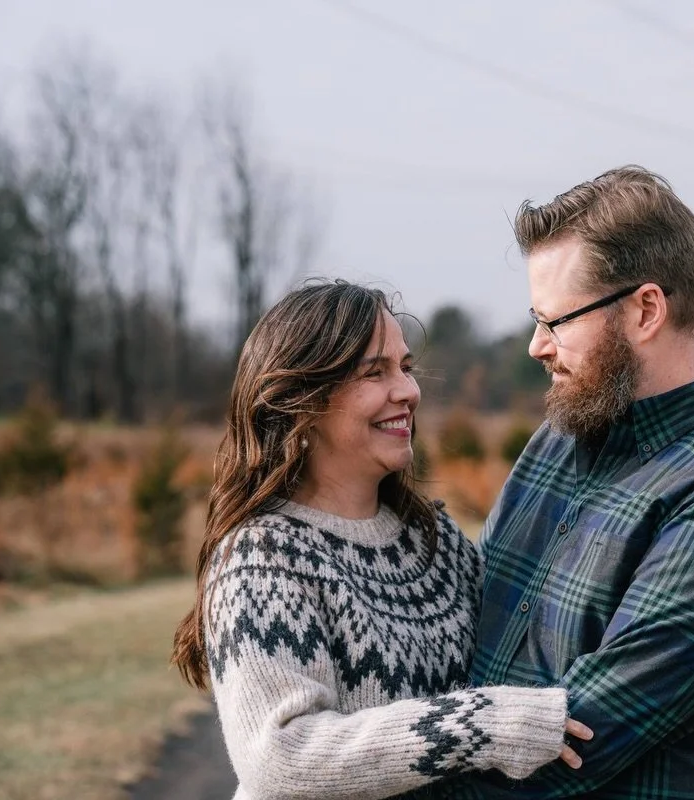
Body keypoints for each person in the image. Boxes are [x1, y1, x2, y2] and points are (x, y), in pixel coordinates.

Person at [452, 166, 694, 799]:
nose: (536, 345)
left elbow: (576, 741)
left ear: (646, 310)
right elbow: (464, 641)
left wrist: (360, 774)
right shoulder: (558, 440)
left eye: (557, 321)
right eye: (536, 319)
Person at [170, 281, 592, 800]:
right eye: (375, 372)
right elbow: (281, 757)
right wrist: (483, 724)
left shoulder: (434, 541)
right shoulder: (263, 558)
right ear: (303, 401)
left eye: (406, 368)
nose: (409, 391)